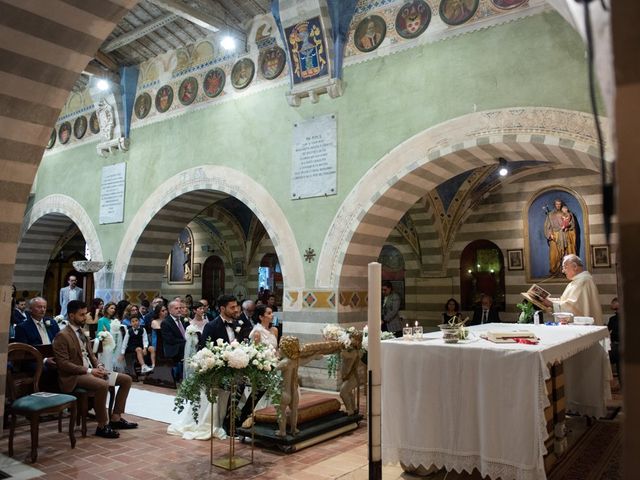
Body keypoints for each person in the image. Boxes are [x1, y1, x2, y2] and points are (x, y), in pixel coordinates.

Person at [52, 300, 138, 439]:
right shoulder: (62, 335)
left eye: (85, 314)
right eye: (81, 315)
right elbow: (63, 364)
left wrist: (99, 366)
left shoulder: (82, 332)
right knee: (102, 385)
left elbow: (91, 355)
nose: (85, 317)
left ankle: (116, 418)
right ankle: (102, 426)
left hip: (90, 371)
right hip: (74, 376)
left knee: (126, 379)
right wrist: (90, 371)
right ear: (71, 315)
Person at [542, 254, 604, 325]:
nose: (563, 271)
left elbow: (573, 307)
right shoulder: (576, 281)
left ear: (575, 266)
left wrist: (551, 303)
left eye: (565, 267)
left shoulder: (583, 281)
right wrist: (550, 300)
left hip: (583, 328)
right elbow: (566, 301)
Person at [544, 199, 577, 276]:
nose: (558, 205)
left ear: (561, 204)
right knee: (554, 255)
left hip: (565, 234)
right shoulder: (550, 214)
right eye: (556, 204)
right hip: (555, 236)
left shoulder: (567, 213)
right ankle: (555, 270)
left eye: (559, 204)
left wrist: (567, 226)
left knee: (566, 253)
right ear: (554, 205)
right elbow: (546, 227)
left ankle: (567, 271)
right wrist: (550, 234)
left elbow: (572, 224)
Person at [608, 297, 620, 383]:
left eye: (616, 309)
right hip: (615, 345)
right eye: (614, 309)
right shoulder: (612, 319)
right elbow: (607, 331)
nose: (615, 311)